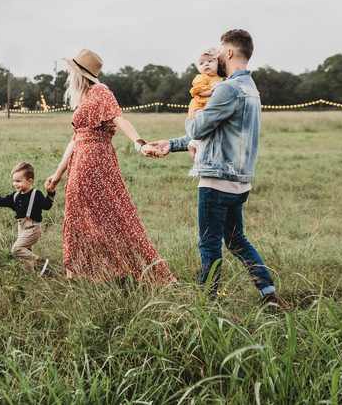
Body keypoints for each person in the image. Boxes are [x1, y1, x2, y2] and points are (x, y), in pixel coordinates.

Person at [150, 30, 288, 309]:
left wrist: (193, 116)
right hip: (240, 182)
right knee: (236, 240)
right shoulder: (251, 89)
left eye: (219, 51)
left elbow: (200, 127)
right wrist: (173, 144)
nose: (216, 57)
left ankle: (206, 303)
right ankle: (268, 293)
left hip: (217, 181)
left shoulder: (227, 88)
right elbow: (217, 132)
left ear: (230, 53)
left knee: (209, 244)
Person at [45, 48, 176, 285]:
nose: (67, 74)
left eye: (70, 70)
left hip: (94, 161)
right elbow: (75, 139)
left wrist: (140, 144)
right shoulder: (85, 98)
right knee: (79, 214)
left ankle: (125, 269)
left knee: (113, 214)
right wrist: (57, 173)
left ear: (80, 73)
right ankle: (82, 272)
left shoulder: (101, 92)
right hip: (81, 160)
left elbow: (119, 118)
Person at [0, 162, 54, 276]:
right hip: (22, 227)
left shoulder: (36, 194)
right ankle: (31, 275)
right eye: (14, 181)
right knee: (25, 253)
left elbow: (46, 206)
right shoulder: (15, 196)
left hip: (33, 227)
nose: (15, 184)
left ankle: (40, 262)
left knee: (17, 249)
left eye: (18, 181)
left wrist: (50, 194)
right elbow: (1, 201)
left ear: (30, 181)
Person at [187, 46, 223, 157]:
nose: (206, 64)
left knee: (208, 124)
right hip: (198, 106)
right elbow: (197, 91)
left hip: (206, 106)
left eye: (210, 61)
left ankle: (192, 143)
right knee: (201, 122)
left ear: (217, 64)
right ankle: (196, 144)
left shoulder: (219, 79)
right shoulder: (201, 77)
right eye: (201, 63)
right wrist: (210, 92)